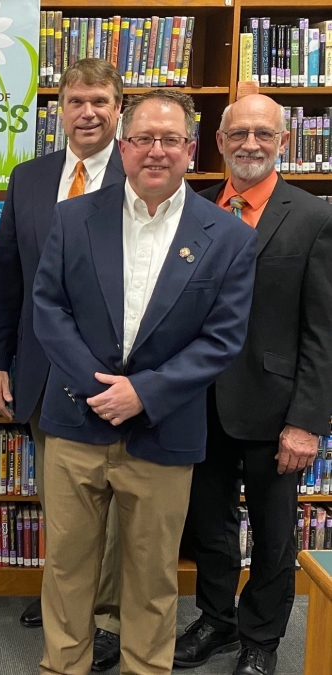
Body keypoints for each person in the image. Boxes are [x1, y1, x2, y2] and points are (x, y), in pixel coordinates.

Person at [32, 90, 257, 675]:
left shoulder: (227, 237)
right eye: (143, 140)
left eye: (170, 140)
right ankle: (63, 667)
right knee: (66, 571)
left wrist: (145, 392)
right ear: (123, 145)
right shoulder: (75, 216)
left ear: (191, 148)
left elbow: (222, 340)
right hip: (77, 423)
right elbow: (49, 310)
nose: (156, 152)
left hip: (164, 432)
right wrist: (99, 388)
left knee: (152, 578)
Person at [174, 93, 332, 675]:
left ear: (282, 142)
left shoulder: (314, 217)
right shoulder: (194, 208)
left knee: (272, 534)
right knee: (208, 525)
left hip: (275, 411)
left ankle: (261, 640)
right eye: (238, 134)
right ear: (217, 142)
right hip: (199, 401)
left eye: (263, 134)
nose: (249, 144)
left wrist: (308, 421)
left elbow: (324, 331)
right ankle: (216, 620)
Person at [0, 57, 125, 670]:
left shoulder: (143, 171)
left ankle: (108, 617)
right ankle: (68, 600)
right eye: (75, 101)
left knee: (118, 503)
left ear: (118, 108)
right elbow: (7, 275)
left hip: (118, 373)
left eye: (100, 101)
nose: (87, 112)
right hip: (42, 369)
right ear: (59, 110)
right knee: (61, 497)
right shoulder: (30, 177)